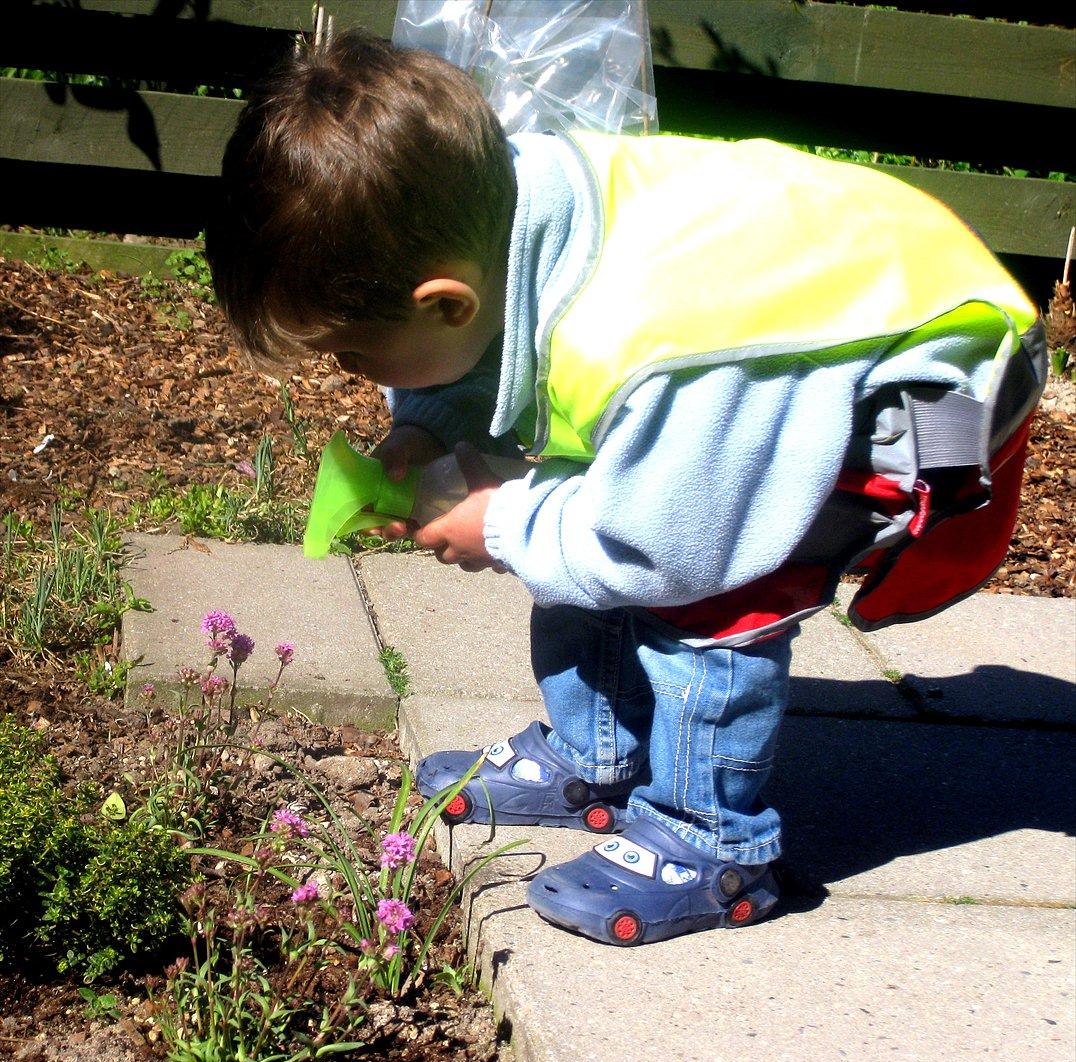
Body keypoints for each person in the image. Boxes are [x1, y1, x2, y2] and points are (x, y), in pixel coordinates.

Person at [207, 30, 1045, 946]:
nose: (349, 372)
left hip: (913, 382)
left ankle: (712, 842)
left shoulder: (657, 341)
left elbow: (664, 542)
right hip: (760, 346)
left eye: (354, 354)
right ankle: (599, 756)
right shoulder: (497, 202)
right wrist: (429, 426)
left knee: (713, 586)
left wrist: (504, 522)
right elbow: (494, 353)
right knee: (587, 507)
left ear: (446, 302)